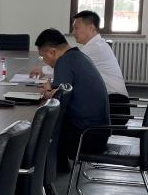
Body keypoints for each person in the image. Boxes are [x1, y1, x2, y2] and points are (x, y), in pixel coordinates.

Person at [35, 28, 110, 171]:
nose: (44, 61)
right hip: (98, 133)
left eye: (42, 56)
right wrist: (52, 91)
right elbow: (63, 91)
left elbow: (57, 101)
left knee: (40, 129)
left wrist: (47, 93)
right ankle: (57, 168)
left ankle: (41, 175)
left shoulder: (64, 62)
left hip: (85, 138)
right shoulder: (78, 56)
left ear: (52, 52)